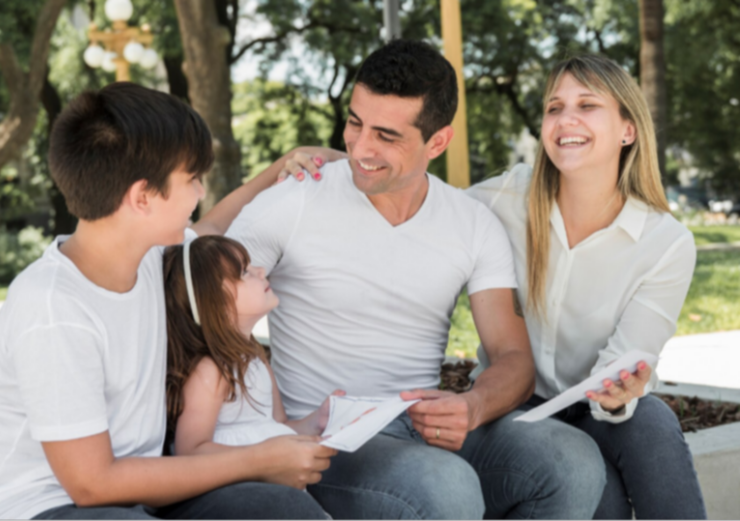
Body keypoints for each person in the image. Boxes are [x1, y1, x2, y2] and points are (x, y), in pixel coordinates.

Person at [225, 39, 606, 519]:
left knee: (571, 462)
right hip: (327, 438)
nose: (361, 147)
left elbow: (513, 358)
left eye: (386, 136)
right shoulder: (296, 198)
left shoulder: (471, 222)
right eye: (355, 123)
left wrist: (472, 405)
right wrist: (273, 426)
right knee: (443, 486)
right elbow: (206, 303)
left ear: (438, 142)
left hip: (421, 426)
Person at [0, 83, 339, 520]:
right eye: (192, 179)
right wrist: (259, 460)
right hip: (39, 506)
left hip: (138, 492)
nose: (201, 193)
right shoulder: (52, 309)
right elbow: (93, 485)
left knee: (281, 510)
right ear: (142, 197)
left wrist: (288, 163)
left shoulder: (150, 259)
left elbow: (217, 224)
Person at [464, 54, 706, 519]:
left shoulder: (666, 243)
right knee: (603, 497)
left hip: (595, 409)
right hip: (511, 408)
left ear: (628, 130)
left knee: (652, 421)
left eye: (587, 105)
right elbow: (421, 204)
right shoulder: (507, 199)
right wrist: (333, 163)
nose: (565, 119)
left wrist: (619, 393)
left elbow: (627, 361)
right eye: (554, 107)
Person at [163, 234, 343, 459]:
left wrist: (318, 421)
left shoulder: (255, 357)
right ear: (215, 303)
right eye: (244, 272)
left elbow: (278, 427)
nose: (261, 270)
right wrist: (259, 459)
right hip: (241, 479)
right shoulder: (212, 371)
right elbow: (190, 451)